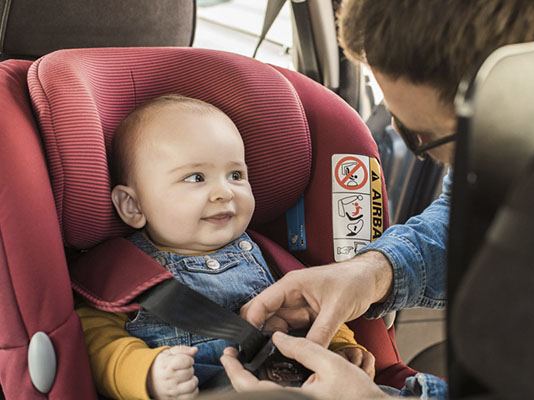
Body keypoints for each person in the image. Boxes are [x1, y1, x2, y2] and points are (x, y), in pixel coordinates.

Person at [220, 0, 534, 398]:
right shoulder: (525, 92)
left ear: (523, 91)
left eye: (422, 138)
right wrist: (372, 273)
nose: (428, 158)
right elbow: (476, 208)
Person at [75, 95, 375, 400]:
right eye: (195, 177)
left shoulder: (269, 257)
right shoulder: (124, 275)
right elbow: (97, 343)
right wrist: (147, 373)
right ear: (133, 205)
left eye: (236, 175)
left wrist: (340, 346)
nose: (224, 191)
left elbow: (312, 309)